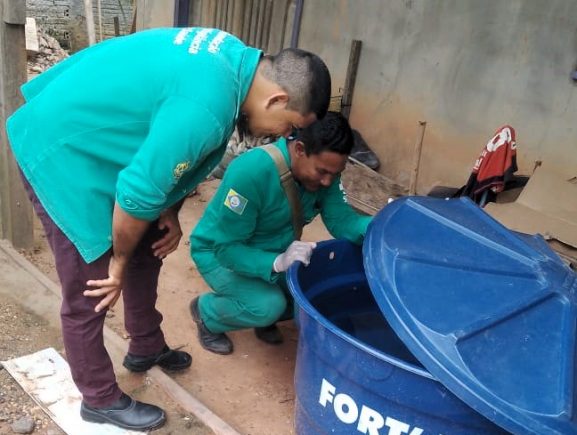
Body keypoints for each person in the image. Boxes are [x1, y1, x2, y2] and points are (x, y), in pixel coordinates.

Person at [6, 27, 331, 431]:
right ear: (277, 99)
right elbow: (135, 194)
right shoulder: (206, 107)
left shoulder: (234, 62)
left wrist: (170, 212)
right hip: (63, 148)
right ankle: (99, 398)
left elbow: (171, 161)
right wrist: (117, 265)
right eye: (290, 126)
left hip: (100, 133)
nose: (283, 136)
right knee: (93, 285)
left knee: (150, 242)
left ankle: (145, 345)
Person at [189, 112, 372, 355]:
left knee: (308, 297)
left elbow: (343, 221)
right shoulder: (251, 172)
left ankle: (263, 313)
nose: (327, 182)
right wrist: (276, 262)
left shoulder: (325, 172)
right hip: (218, 252)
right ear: (300, 149)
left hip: (272, 249)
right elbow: (226, 249)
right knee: (269, 306)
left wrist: (379, 228)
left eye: (335, 173)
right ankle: (207, 313)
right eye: (322, 172)